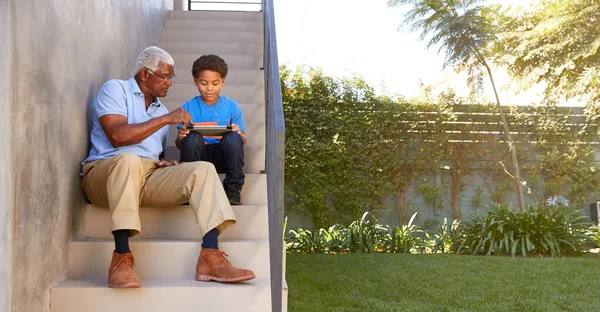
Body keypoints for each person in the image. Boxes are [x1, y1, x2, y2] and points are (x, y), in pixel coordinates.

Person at [81, 46, 255, 289]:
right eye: (165, 76)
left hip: (146, 176)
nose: (169, 83)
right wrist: (166, 120)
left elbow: (155, 153)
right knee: (129, 160)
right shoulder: (115, 89)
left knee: (202, 168)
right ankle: (121, 258)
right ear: (144, 74)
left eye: (171, 77)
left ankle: (210, 257)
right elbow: (117, 136)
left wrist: (167, 163)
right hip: (104, 174)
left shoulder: (162, 110)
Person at [176, 54, 246, 205]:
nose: (209, 88)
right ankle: (189, 188)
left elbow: (243, 141)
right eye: (203, 83)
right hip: (198, 157)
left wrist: (238, 132)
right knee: (192, 137)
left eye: (215, 83)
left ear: (222, 82)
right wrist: (182, 136)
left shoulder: (232, 106)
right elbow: (179, 144)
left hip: (222, 156)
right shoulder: (188, 107)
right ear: (195, 81)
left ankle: (233, 188)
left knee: (234, 137)